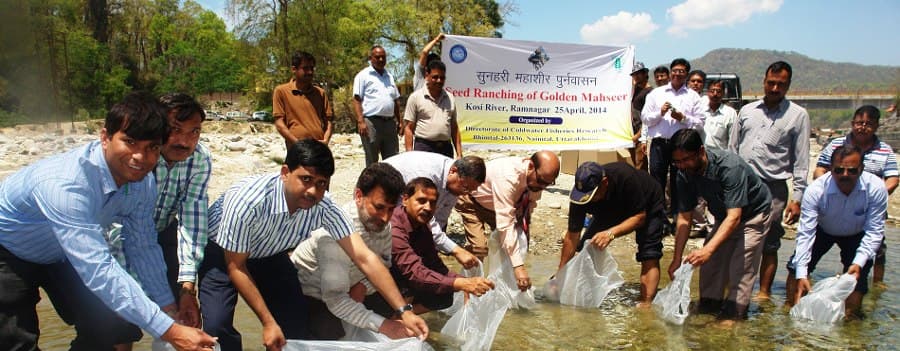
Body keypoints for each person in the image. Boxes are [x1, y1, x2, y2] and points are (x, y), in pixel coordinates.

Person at [0, 92, 217, 351]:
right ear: (105, 137)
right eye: (130, 142)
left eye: (151, 148)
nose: (140, 157)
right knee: (16, 342)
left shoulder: (141, 182)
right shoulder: (66, 185)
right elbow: (98, 269)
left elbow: (142, 246)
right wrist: (169, 330)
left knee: (111, 329)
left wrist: (169, 308)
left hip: (60, 254)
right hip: (9, 252)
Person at [197, 139, 427, 351]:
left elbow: (364, 257)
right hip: (223, 252)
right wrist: (267, 322)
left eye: (321, 183)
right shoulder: (249, 201)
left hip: (270, 253)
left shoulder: (324, 207)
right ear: (285, 173)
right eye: (306, 179)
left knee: (295, 326)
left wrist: (404, 311)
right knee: (217, 326)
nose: (312, 191)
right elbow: (236, 267)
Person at [104, 93, 211, 350]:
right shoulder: (136, 160)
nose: (185, 141)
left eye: (194, 132)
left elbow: (192, 221)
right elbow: (120, 232)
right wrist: (134, 289)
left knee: (182, 315)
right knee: (121, 322)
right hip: (114, 236)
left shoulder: (199, 160)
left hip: (162, 231)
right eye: (175, 130)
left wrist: (187, 287)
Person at [291, 163, 414, 340]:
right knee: (334, 336)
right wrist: (386, 327)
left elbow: (383, 266)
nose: (386, 218)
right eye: (379, 207)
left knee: (400, 295)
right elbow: (336, 299)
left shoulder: (383, 227)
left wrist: (362, 287)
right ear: (358, 196)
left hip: (352, 287)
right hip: (312, 295)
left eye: (391, 209)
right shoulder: (332, 234)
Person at [668, 128, 772, 325]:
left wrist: (707, 249)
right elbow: (684, 218)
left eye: (687, 159)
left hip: (752, 215)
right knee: (711, 266)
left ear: (700, 151)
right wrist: (676, 258)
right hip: (724, 216)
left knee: (740, 267)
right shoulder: (683, 172)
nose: (682, 166)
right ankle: (709, 306)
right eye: (677, 161)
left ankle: (734, 314)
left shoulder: (729, 167)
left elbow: (735, 217)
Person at [729, 61, 810, 301]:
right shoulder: (746, 111)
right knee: (734, 235)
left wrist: (797, 198)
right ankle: (732, 286)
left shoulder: (798, 116)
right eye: (771, 83)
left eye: (780, 84)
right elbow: (733, 149)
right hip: (742, 184)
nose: (775, 88)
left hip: (773, 189)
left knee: (770, 241)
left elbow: (802, 161)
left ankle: (763, 293)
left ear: (788, 85)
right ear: (764, 82)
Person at [369, 177, 494, 316]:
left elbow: (434, 264)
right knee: (412, 284)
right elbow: (414, 273)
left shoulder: (423, 225)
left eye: (432, 203)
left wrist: (464, 281)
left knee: (445, 295)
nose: (427, 207)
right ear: (405, 199)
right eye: (421, 201)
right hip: (372, 285)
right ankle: (393, 318)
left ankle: (402, 316)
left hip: (402, 278)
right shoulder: (394, 227)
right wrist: (460, 284)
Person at [786, 144, 887, 317]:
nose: (845, 175)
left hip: (857, 233)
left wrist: (858, 262)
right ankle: (790, 308)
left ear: (861, 169)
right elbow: (806, 233)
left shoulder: (876, 188)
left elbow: (874, 231)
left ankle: (851, 325)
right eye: (839, 170)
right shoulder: (816, 190)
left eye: (852, 171)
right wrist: (802, 273)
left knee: (858, 279)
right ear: (831, 169)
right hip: (823, 229)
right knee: (796, 268)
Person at [558, 162, 664, 306]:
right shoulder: (580, 195)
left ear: (604, 183)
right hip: (608, 208)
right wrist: (561, 274)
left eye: (591, 196)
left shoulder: (625, 177)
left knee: (649, 253)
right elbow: (572, 236)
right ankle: (589, 292)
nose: (587, 199)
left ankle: (646, 303)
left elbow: (640, 217)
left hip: (646, 205)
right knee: (586, 248)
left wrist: (610, 233)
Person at [814, 105, 897, 286]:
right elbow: (820, 169)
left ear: (876, 126)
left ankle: (876, 285)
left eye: (868, 124)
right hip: (833, 207)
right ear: (853, 123)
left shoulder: (885, 150)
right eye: (859, 123)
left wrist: (874, 196)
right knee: (816, 246)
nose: (863, 127)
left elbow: (893, 179)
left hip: (869, 209)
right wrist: (828, 191)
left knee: (876, 249)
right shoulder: (836, 145)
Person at [455, 151, 561, 292]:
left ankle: (499, 290)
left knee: (505, 248)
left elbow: (528, 207)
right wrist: (519, 268)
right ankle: (465, 291)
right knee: (479, 249)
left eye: (548, 184)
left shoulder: (537, 182)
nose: (543, 187)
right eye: (541, 181)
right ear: (530, 166)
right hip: (472, 202)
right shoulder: (507, 176)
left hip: (499, 206)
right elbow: (505, 225)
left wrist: (522, 234)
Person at [383, 151, 484, 268]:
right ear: (453, 171)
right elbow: (428, 220)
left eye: (470, 190)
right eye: (465, 187)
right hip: (384, 202)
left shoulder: (454, 185)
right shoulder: (426, 175)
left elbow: (439, 220)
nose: (465, 193)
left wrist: (432, 255)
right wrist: (455, 249)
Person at [641, 58, 704, 227]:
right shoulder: (657, 93)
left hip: (681, 145)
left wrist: (683, 118)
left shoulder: (693, 96)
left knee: (679, 181)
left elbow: (700, 123)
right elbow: (645, 118)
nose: (677, 74)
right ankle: (658, 219)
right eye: (675, 70)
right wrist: (660, 113)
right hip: (659, 143)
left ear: (686, 74)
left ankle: (678, 219)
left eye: (681, 71)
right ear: (670, 73)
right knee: (656, 181)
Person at [273, 51, 334, 149]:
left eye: (312, 68)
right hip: (296, 149)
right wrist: (297, 143)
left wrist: (326, 140)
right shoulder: (281, 91)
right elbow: (279, 123)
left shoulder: (320, 93)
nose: (310, 72)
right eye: (305, 68)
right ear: (294, 69)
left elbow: (328, 121)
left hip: (318, 148)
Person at [353, 45, 402, 166]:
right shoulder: (363, 75)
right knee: (372, 160)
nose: (381, 60)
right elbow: (356, 99)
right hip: (371, 123)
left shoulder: (389, 76)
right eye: (377, 57)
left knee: (393, 160)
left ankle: (389, 184)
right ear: (370, 58)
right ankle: (371, 184)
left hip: (390, 124)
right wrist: (361, 122)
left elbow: (395, 100)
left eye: (383, 57)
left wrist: (400, 121)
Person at [403, 60, 462, 158]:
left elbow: (454, 128)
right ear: (427, 75)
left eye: (442, 78)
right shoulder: (416, 97)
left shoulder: (450, 98)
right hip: (423, 148)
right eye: (435, 77)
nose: (439, 80)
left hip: (446, 149)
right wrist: (409, 155)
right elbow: (408, 128)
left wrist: (459, 154)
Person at [630, 61, 652, 170]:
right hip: (632, 134)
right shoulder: (636, 89)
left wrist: (638, 136)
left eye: (638, 73)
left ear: (645, 74)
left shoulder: (649, 92)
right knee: (633, 164)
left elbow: (647, 118)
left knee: (640, 166)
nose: (636, 76)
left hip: (641, 136)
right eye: (634, 74)